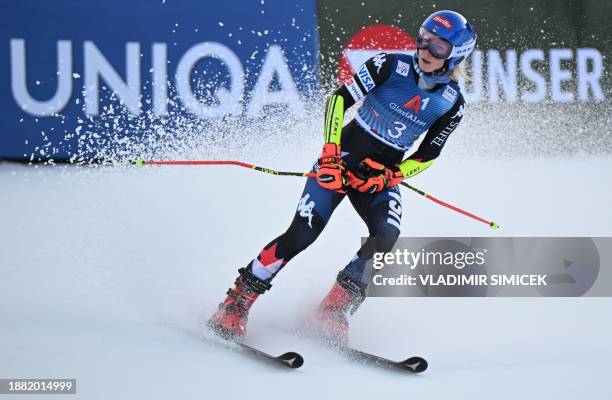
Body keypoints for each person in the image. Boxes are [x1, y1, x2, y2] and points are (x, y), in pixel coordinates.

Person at [208, 10, 477, 342]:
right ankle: (235, 304)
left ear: (456, 55)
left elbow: (428, 155)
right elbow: (339, 99)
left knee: (386, 236)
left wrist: (391, 177)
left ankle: (333, 310)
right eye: (423, 38)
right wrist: (331, 153)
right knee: (302, 234)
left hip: (376, 178)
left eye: (438, 46)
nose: (425, 49)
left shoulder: (452, 103)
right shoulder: (390, 65)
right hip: (341, 159)